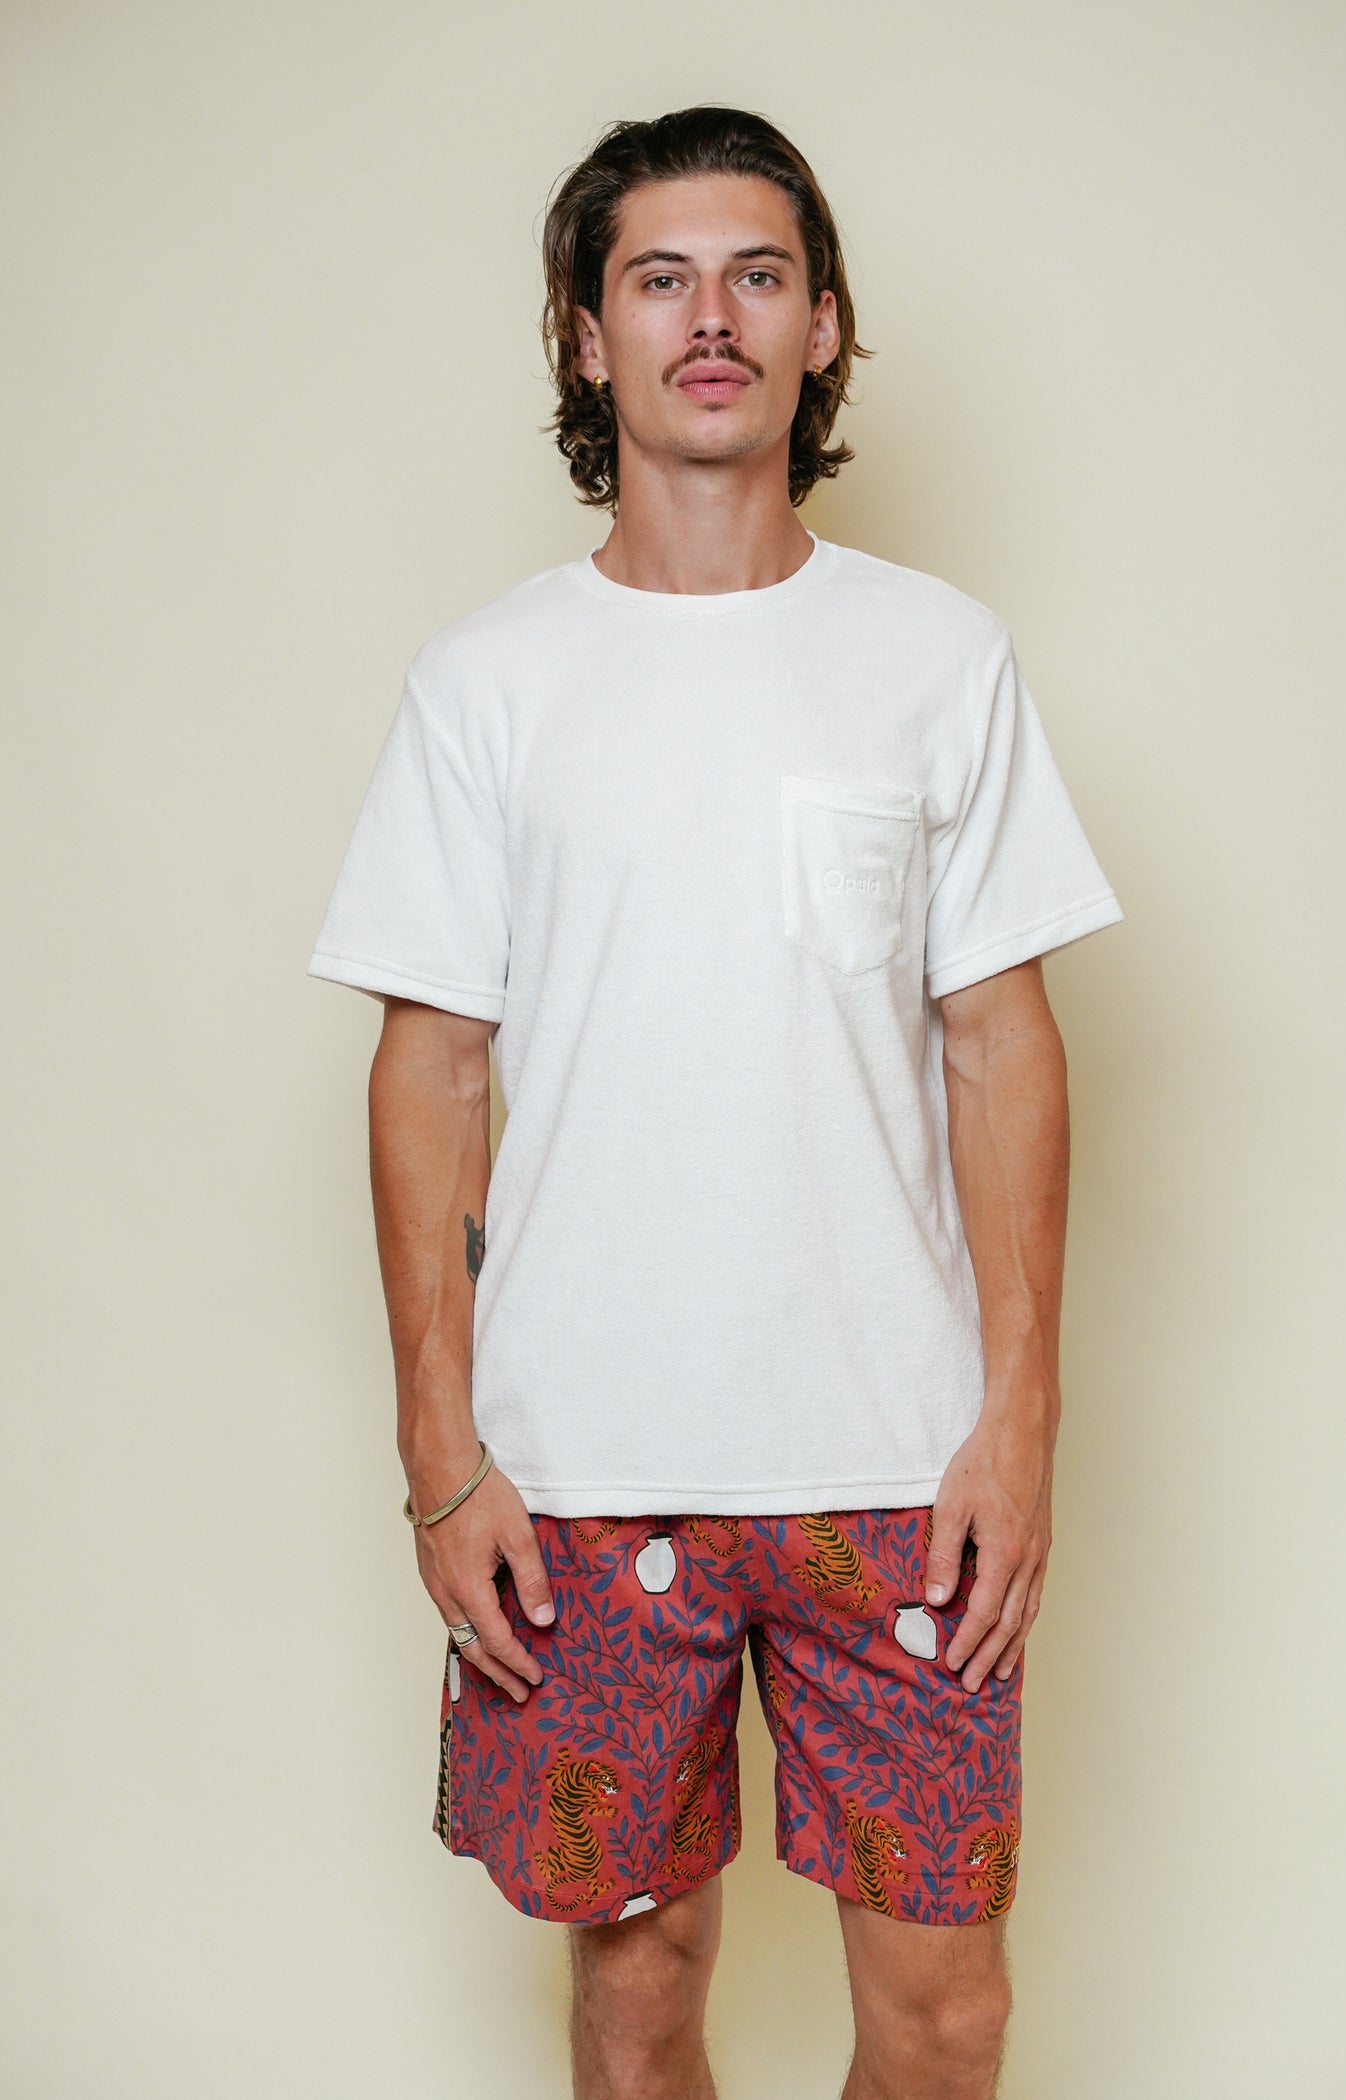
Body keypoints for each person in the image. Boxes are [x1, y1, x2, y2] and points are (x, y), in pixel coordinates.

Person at [307, 103, 1123, 2100]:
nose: (710, 319)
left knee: (944, 2011)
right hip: (583, 1472)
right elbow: (431, 1067)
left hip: (898, 1467)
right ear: (585, 338)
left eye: (758, 275)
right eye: (657, 279)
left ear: (822, 325)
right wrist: (441, 1451)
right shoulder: (488, 683)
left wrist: (1020, 1414)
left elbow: (1003, 1043)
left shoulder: (935, 656)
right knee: (639, 1989)